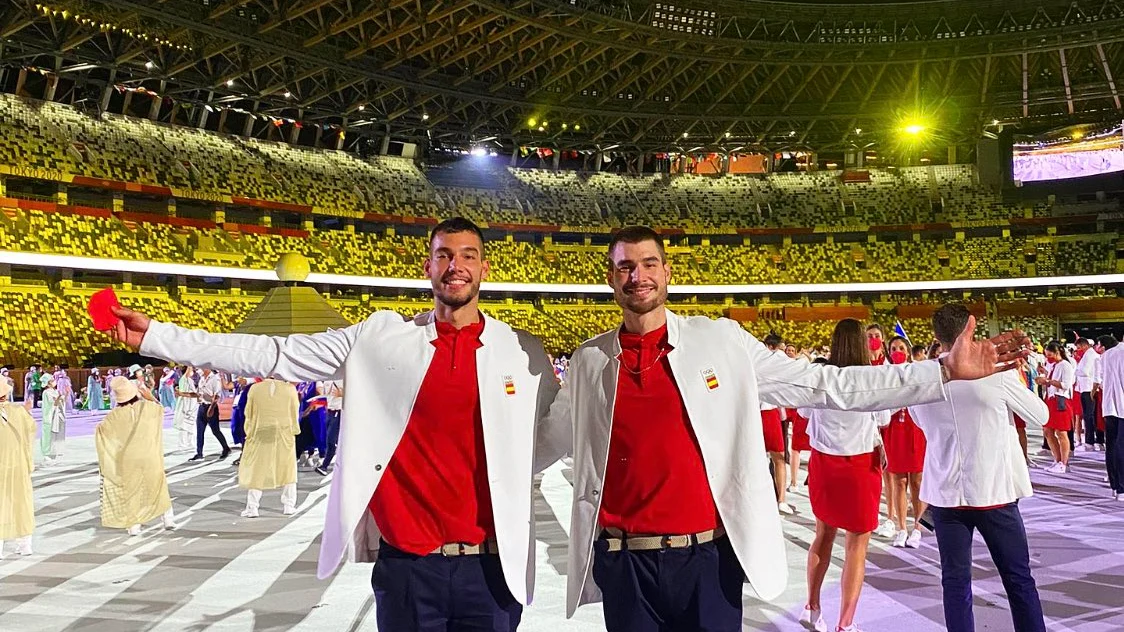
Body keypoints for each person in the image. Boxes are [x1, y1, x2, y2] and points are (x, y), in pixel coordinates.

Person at [555, 226, 1030, 630]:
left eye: (649, 263)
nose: (638, 276)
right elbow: (542, 441)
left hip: (708, 556)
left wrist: (940, 371)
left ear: (667, 272)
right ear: (611, 277)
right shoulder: (589, 361)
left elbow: (826, 385)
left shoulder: (720, 342)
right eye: (625, 267)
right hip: (624, 560)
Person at [104, 217, 564, 632]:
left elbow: (548, 434)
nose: (455, 265)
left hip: (491, 567)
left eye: (468, 256)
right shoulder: (380, 339)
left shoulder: (520, 352)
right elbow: (275, 354)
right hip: (408, 566)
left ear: (485, 269)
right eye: (443, 254)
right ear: (428, 266)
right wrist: (159, 336)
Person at [909, 304, 1049, 632]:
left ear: (936, 336)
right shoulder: (995, 374)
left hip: (945, 496)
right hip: (994, 493)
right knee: (1018, 580)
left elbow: (919, 421)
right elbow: (1040, 415)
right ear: (971, 329)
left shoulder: (923, 375)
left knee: (955, 584)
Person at [799, 319, 891, 632]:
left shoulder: (819, 373)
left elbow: (803, 412)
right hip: (858, 465)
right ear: (863, 343)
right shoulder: (872, 377)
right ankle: (845, 623)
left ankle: (811, 605)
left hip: (825, 462)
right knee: (857, 546)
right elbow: (884, 417)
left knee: (823, 535)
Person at [95, 376, 178, 535]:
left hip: (128, 458)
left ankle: (134, 525)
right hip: (149, 455)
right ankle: (167, 518)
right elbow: (160, 409)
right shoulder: (147, 408)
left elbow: (102, 432)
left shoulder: (113, 416)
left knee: (131, 490)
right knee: (158, 485)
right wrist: (149, 396)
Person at [883, 335, 927, 548]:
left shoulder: (917, 373)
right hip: (895, 431)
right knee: (898, 481)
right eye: (893, 348)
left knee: (917, 481)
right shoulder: (885, 376)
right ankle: (901, 527)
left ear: (908, 352)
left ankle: (917, 527)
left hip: (915, 429)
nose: (897, 351)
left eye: (901, 347)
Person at [239, 378, 301, 517]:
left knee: (257, 469)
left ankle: (252, 507)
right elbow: (294, 412)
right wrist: (294, 430)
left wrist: (249, 431)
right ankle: (289, 505)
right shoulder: (290, 389)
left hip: (260, 432)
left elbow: (248, 413)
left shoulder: (255, 388)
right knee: (288, 469)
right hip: (284, 433)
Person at [866, 324, 897, 540]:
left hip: (890, 424)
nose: (874, 340)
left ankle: (891, 518)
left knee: (890, 474)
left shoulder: (890, 367)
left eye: (877, 336)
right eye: (870, 337)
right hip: (868, 427)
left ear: (883, 340)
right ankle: (873, 515)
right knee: (871, 473)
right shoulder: (861, 366)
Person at [0, 377, 36, 559]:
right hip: (19, 464)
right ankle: (25, 544)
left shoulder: (17, 411)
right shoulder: (18, 411)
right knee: (21, 502)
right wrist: (26, 412)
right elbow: (31, 430)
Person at [762, 333, 793, 515]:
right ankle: (773, 498)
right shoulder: (760, 357)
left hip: (770, 412)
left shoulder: (774, 358)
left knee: (779, 457)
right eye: (780, 348)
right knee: (762, 459)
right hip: (758, 411)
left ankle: (781, 498)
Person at [1038, 341, 1075, 474]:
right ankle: (1057, 460)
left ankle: (1064, 463)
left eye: (1050, 355)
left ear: (1057, 352)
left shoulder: (1066, 365)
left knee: (1061, 432)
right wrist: (1045, 376)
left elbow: (1065, 385)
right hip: (1050, 399)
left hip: (1060, 400)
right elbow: (1051, 382)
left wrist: (1047, 381)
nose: (1048, 357)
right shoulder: (1054, 365)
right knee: (1047, 431)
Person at [1095, 334, 1124, 500]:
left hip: (1109, 404)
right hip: (1121, 405)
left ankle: (1116, 486)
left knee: (1112, 445)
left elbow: (1101, 380)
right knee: (1120, 445)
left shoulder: (1107, 355)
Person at [191, 367, 231, 462]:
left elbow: (216, 396)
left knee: (215, 431)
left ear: (206, 368)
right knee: (199, 431)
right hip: (202, 406)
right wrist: (182, 394)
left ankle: (226, 448)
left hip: (211, 407)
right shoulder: (202, 379)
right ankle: (199, 453)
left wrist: (211, 409)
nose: (197, 370)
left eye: (199, 368)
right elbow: (198, 394)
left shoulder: (215, 379)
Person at [1074, 338, 1103, 452]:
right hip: (1087, 388)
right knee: (1092, 415)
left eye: (1078, 347)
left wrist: (1075, 371)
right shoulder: (1088, 355)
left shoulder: (1090, 356)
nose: (1077, 350)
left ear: (1084, 345)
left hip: (1088, 388)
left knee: (1089, 416)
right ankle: (1096, 440)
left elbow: (1085, 371)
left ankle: (1090, 441)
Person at [316, 379, 343, 476]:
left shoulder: (342, 379)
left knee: (331, 440)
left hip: (338, 411)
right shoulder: (327, 380)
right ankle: (327, 465)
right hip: (330, 412)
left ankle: (324, 466)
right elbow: (325, 394)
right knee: (329, 440)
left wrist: (342, 394)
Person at [39, 374, 66, 462]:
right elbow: (53, 403)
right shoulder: (46, 392)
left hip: (56, 414)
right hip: (49, 415)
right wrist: (60, 397)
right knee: (48, 434)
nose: (54, 381)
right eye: (52, 380)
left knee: (56, 433)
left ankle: (54, 451)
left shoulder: (54, 391)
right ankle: (46, 453)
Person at [173, 366, 200, 453]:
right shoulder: (184, 379)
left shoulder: (189, 380)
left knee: (190, 426)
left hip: (191, 405)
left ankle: (189, 443)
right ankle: (183, 444)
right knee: (184, 426)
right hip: (185, 404)